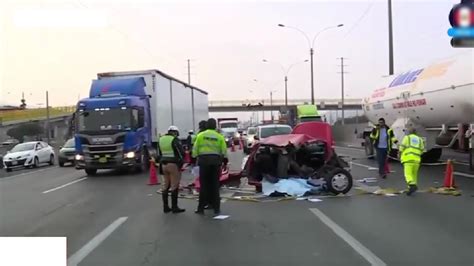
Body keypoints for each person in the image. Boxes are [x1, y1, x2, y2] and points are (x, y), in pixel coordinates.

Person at [192, 118, 228, 215]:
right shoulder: (219, 137)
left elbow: (195, 150)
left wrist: (195, 159)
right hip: (215, 163)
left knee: (204, 186)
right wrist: (224, 161)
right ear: (215, 126)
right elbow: (224, 151)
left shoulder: (200, 136)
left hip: (204, 162)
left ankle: (201, 208)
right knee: (215, 186)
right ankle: (216, 208)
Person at [157, 126, 186, 213]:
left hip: (163, 164)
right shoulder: (174, 140)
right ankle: (174, 207)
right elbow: (181, 153)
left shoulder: (161, 139)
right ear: (175, 132)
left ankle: (165, 207)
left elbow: (159, 153)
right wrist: (181, 163)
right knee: (174, 185)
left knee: (165, 186)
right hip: (173, 164)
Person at [399, 127, 425, 196]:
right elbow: (422, 150)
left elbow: (401, 147)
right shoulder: (420, 139)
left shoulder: (407, 138)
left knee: (408, 174)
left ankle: (412, 185)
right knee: (414, 175)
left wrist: (399, 154)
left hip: (408, 159)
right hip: (416, 160)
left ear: (409, 132)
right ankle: (411, 188)